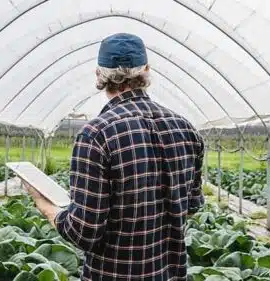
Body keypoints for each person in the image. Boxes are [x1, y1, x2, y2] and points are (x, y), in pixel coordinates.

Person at [26, 33, 205, 281]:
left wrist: (45, 206)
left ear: (98, 75)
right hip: (169, 273)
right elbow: (192, 205)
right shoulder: (185, 129)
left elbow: (84, 232)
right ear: (147, 71)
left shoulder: (96, 134)